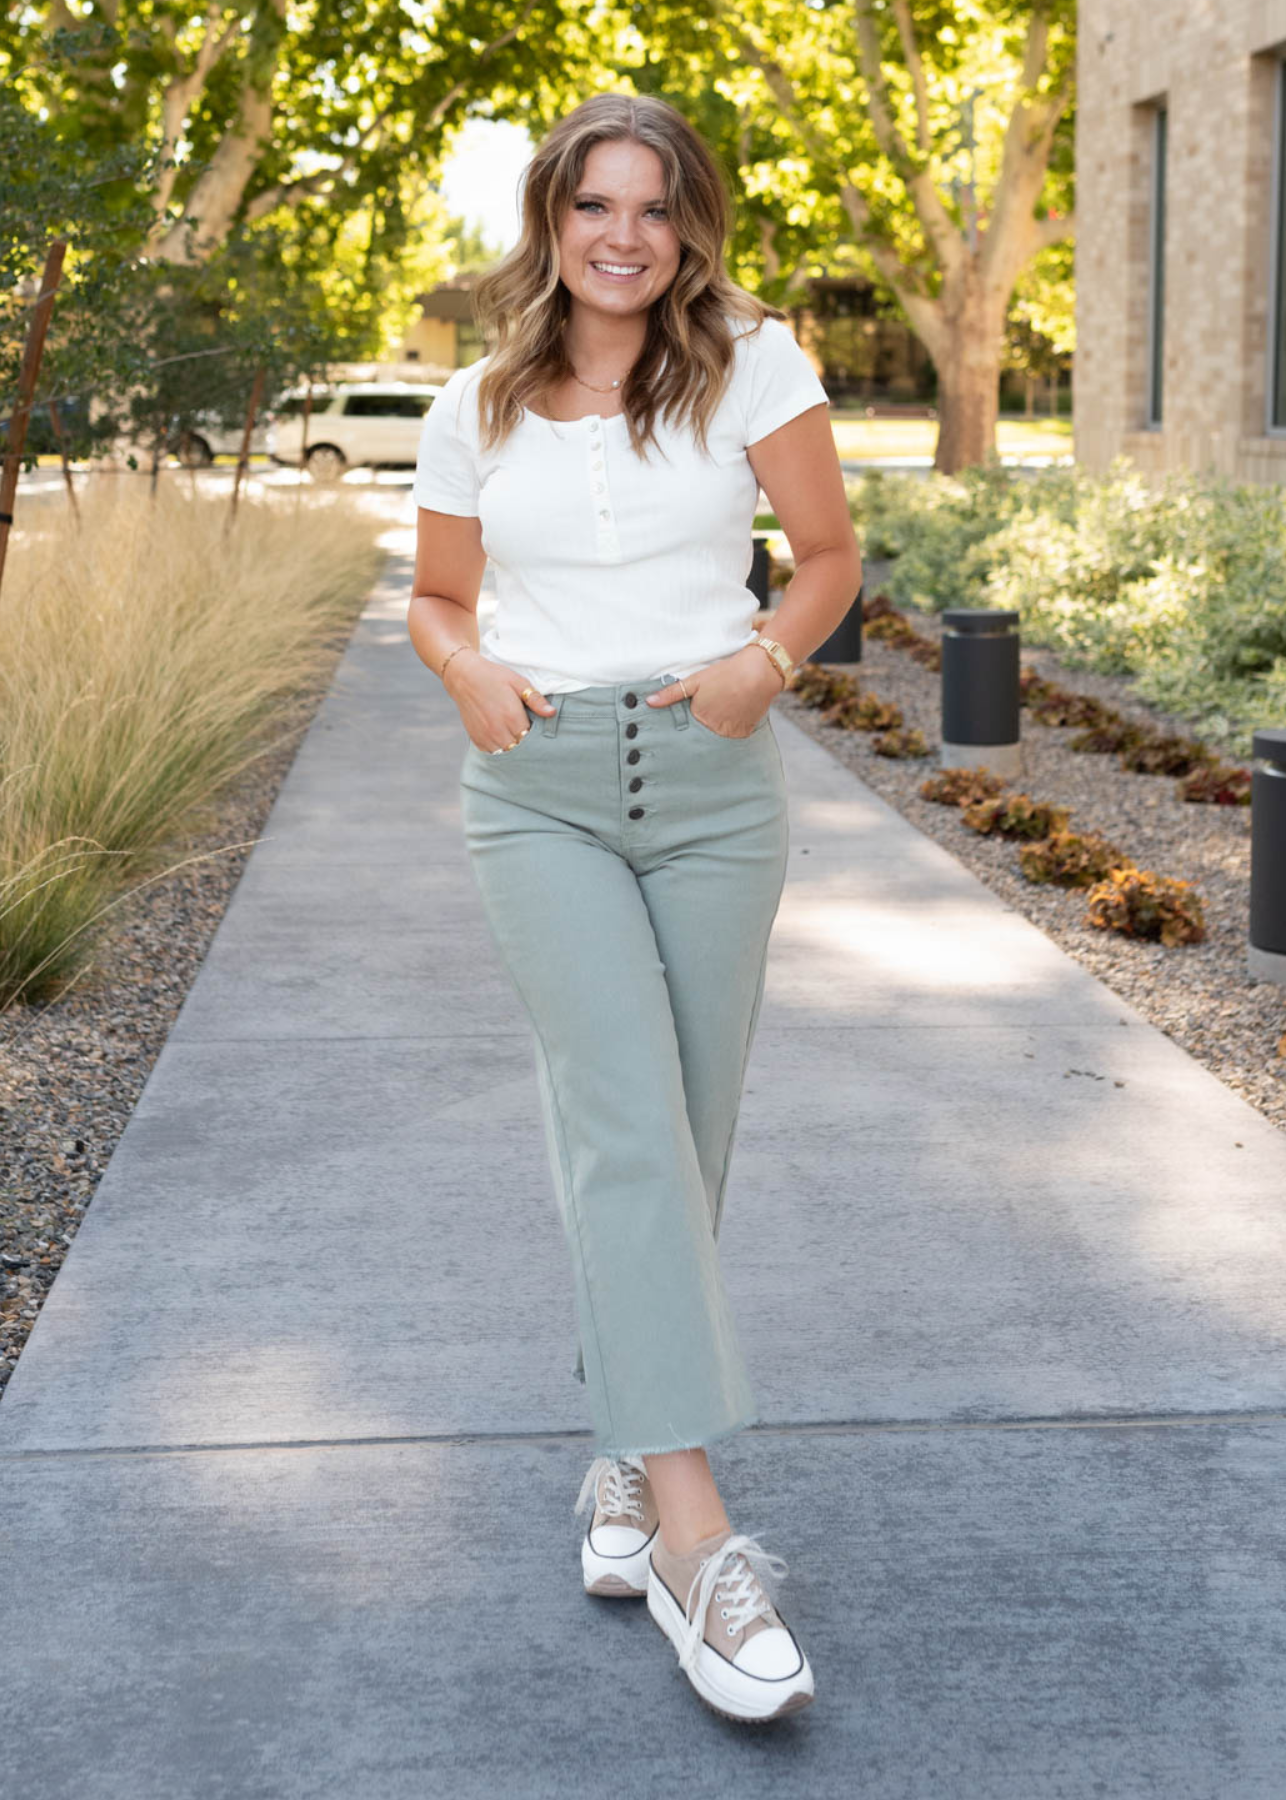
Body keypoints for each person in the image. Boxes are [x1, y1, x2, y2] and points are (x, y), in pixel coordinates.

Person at [407, 91, 861, 1725]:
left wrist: (765, 665)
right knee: (621, 1121)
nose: (620, 235)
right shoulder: (477, 401)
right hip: (538, 792)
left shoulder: (753, 364)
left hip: (713, 778)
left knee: (690, 1134)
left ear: (687, 226)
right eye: (593, 205)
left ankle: (615, 1454)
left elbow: (821, 556)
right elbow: (439, 598)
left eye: (652, 208)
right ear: (551, 220)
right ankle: (694, 1539)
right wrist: (465, 673)